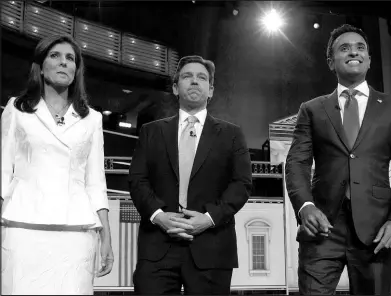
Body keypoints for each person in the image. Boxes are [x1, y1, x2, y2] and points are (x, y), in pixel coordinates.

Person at [285, 24, 391, 295]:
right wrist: (305, 206)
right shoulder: (312, 109)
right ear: (331, 62)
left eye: (360, 47)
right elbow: (297, 162)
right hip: (321, 227)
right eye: (344, 48)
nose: (353, 51)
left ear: (368, 59)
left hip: (376, 230)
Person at [128, 55, 252, 295]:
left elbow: (242, 184)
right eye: (187, 76)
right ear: (176, 88)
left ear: (211, 90)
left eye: (201, 78)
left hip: (212, 246)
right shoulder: (151, 132)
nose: (194, 82)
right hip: (158, 246)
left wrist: (208, 219)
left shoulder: (232, 134)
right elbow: (137, 180)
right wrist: (159, 216)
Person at [1, 34, 114, 295]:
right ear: (40, 67)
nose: (64, 62)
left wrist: (106, 235)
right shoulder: (16, 109)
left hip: (76, 232)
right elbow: (3, 169)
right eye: (55, 56)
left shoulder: (92, 119)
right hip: (22, 227)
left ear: (77, 70)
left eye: (70, 58)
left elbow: (96, 182)